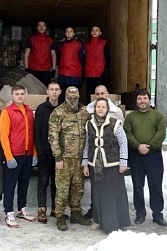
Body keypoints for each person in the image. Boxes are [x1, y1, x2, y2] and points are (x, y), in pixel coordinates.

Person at [82, 98, 131, 233]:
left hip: (112, 165)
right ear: (95, 108)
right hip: (95, 165)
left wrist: (123, 162)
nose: (101, 109)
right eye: (98, 106)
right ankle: (98, 220)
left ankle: (114, 223)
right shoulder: (89, 124)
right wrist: (85, 164)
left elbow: (123, 143)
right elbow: (86, 145)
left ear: (107, 109)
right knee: (97, 194)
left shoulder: (115, 124)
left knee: (111, 194)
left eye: (103, 107)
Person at [48, 86, 91, 231]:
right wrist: (58, 157)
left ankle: (76, 213)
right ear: (65, 97)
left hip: (80, 159)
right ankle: (60, 216)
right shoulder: (58, 112)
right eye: (70, 98)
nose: (73, 100)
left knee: (78, 189)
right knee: (62, 190)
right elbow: (52, 136)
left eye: (75, 98)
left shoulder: (85, 112)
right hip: (64, 159)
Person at [123, 89, 167, 227]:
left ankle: (158, 214)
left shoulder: (157, 115)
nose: (142, 101)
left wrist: (150, 146)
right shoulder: (130, 117)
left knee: (155, 186)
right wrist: (138, 146)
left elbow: (161, 133)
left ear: (149, 100)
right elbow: (127, 133)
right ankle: (140, 213)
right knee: (138, 186)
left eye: (145, 98)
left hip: (154, 156)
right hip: (136, 156)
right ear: (136, 101)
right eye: (140, 99)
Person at [84, 84, 125, 219]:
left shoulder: (117, 113)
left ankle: (112, 218)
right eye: (97, 94)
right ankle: (96, 214)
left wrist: (123, 160)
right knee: (97, 190)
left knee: (110, 190)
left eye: (103, 93)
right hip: (95, 160)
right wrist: (85, 162)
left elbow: (122, 139)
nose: (100, 96)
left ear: (107, 94)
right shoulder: (87, 113)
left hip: (111, 160)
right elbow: (87, 140)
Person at [0, 85, 38, 227]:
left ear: (25, 94)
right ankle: (8, 212)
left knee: (24, 183)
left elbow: (32, 134)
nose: (20, 96)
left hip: (27, 154)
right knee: (10, 184)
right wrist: (8, 156)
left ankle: (22, 209)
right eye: (17, 94)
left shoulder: (29, 112)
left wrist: (34, 153)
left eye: (22, 93)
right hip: (14, 155)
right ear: (12, 96)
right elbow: (4, 136)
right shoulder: (7, 112)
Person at [34, 81, 62, 223]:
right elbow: (37, 132)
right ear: (47, 92)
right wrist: (40, 152)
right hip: (45, 153)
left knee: (57, 183)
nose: (54, 92)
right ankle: (42, 209)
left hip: (59, 155)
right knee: (43, 181)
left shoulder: (64, 109)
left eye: (57, 90)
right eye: (52, 89)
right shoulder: (41, 109)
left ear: (60, 92)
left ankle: (55, 210)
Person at [56, 26, 85, 103]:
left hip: (75, 74)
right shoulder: (61, 44)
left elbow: (82, 59)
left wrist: (82, 72)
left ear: (74, 33)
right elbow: (58, 58)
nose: (69, 33)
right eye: (67, 31)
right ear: (65, 33)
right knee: (63, 95)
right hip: (63, 73)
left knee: (74, 95)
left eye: (71, 31)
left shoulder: (79, 44)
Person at [24, 21, 57, 87]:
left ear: (46, 28)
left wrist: (53, 69)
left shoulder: (50, 40)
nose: (41, 27)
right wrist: (26, 68)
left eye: (43, 26)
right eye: (39, 25)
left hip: (45, 69)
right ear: (37, 27)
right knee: (32, 89)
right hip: (33, 69)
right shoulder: (31, 39)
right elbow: (26, 54)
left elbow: (53, 55)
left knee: (45, 89)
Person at [84, 25, 111, 102]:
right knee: (90, 95)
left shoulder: (104, 43)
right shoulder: (87, 45)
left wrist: (106, 70)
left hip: (100, 73)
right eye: (93, 30)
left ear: (100, 33)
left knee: (101, 94)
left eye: (97, 30)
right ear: (90, 32)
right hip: (89, 73)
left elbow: (108, 58)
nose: (95, 32)